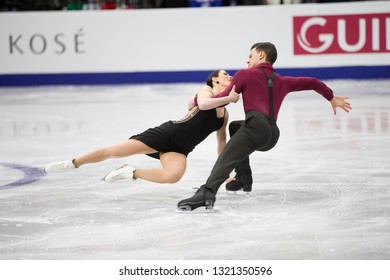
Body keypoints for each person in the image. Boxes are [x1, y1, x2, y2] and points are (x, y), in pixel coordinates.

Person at [177, 42, 352, 211]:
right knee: (236, 127)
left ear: (261, 55)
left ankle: (207, 193)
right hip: (272, 135)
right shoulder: (283, 81)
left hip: (256, 127)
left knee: (227, 156)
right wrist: (331, 97)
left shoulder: (245, 74)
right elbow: (313, 82)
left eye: (250, 56)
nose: (247, 60)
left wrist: (196, 101)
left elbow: (221, 98)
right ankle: (243, 179)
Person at [44, 70, 240, 184]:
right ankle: (72, 163)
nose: (229, 76)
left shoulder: (224, 115)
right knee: (113, 151)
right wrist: (230, 97)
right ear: (215, 80)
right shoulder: (206, 91)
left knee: (173, 176)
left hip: (180, 149)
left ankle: (131, 172)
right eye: (225, 74)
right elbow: (204, 104)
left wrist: (224, 173)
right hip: (165, 134)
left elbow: (221, 145)